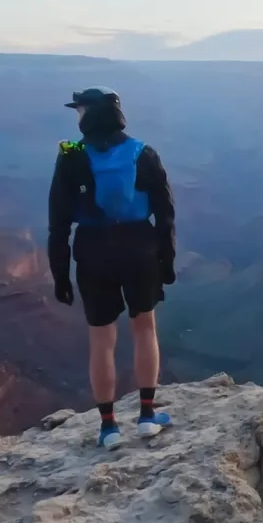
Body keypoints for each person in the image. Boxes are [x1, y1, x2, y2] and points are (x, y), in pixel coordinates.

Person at [47, 86, 177, 449]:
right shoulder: (143, 152)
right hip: (139, 247)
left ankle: (108, 428)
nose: (77, 116)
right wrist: (167, 259)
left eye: (79, 110)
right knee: (144, 329)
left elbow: (58, 220)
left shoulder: (71, 155)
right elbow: (165, 213)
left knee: (102, 340)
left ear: (88, 114)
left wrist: (59, 272)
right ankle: (148, 417)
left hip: (92, 251)